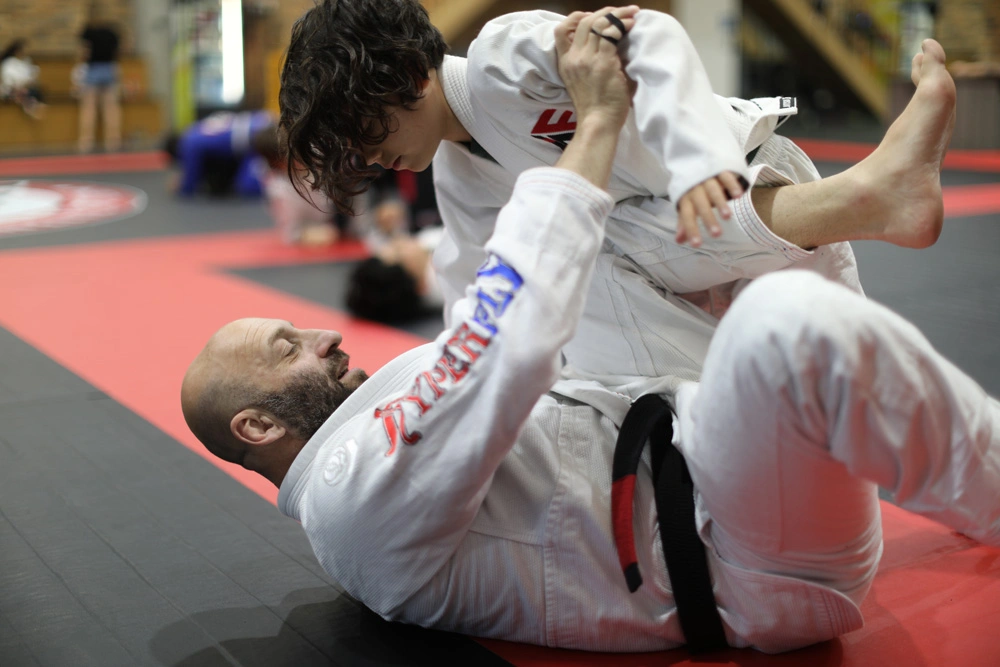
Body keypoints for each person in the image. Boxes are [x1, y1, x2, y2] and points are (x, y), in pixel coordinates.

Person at [181, 24, 997, 655]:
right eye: (287, 347)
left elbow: (489, 309)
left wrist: (682, 153)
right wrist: (597, 123)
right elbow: (505, 340)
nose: (323, 333)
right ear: (258, 423)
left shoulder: (487, 108)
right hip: (745, 551)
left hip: (723, 447)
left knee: (641, 252)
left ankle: (868, 207)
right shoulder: (350, 495)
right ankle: (862, 204)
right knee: (776, 317)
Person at [277, 1, 944, 381]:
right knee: (871, 396)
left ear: (408, 76)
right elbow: (475, 291)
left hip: (748, 184)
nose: (370, 156)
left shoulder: (501, 60)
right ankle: (880, 196)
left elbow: (651, 34)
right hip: (702, 264)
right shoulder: (458, 174)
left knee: (579, 238)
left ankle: (872, 194)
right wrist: (446, 390)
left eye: (366, 129)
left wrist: (700, 161)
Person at [165, 111, 274, 198]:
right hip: (260, 122)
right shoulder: (194, 130)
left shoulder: (188, 144)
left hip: (259, 137)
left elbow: (189, 183)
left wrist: (180, 187)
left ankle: (278, 183)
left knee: (248, 186)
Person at [77, 9, 123, 153]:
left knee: (89, 107)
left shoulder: (88, 31)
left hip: (93, 68)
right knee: (111, 107)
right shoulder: (112, 32)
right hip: (109, 67)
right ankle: (113, 140)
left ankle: (86, 141)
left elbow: (84, 51)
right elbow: (118, 51)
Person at [0, 39, 46, 119]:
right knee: (24, 93)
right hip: (13, 89)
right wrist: (23, 84)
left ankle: (34, 107)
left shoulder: (26, 61)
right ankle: (30, 108)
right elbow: (8, 81)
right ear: (17, 51)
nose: (26, 52)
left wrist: (31, 81)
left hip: (27, 88)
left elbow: (31, 76)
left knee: (37, 90)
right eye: (24, 49)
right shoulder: (9, 63)